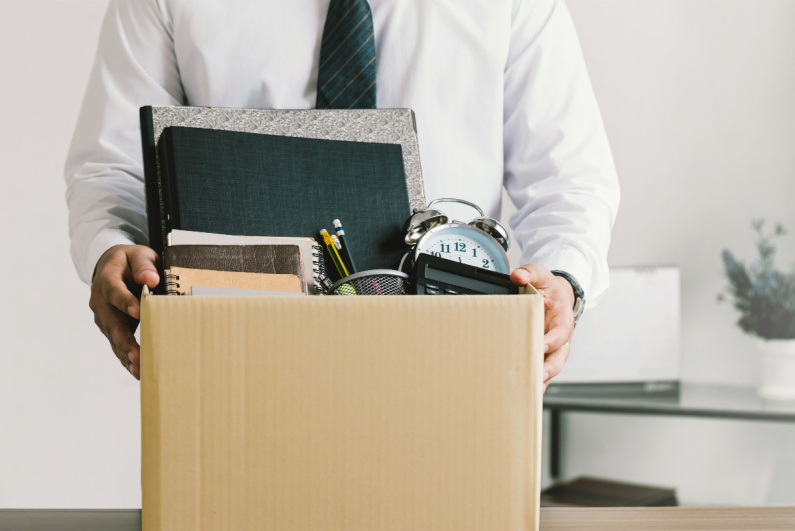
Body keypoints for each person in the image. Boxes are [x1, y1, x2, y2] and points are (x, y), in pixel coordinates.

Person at [66, 0, 620, 389]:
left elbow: (569, 180)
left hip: (452, 357)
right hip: (238, 362)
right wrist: (109, 248)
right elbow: (113, 167)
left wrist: (564, 281)